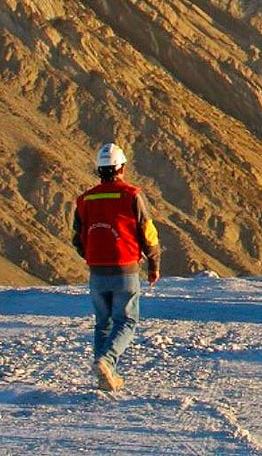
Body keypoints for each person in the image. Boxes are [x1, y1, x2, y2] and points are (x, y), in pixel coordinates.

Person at [72, 142, 160, 392]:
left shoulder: (85, 199)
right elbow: (148, 233)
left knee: (103, 323)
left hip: (97, 271)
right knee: (126, 321)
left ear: (99, 170)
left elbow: (77, 237)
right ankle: (107, 362)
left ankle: (106, 376)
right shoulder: (132, 195)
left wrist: (91, 255)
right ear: (121, 168)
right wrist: (153, 263)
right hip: (125, 269)